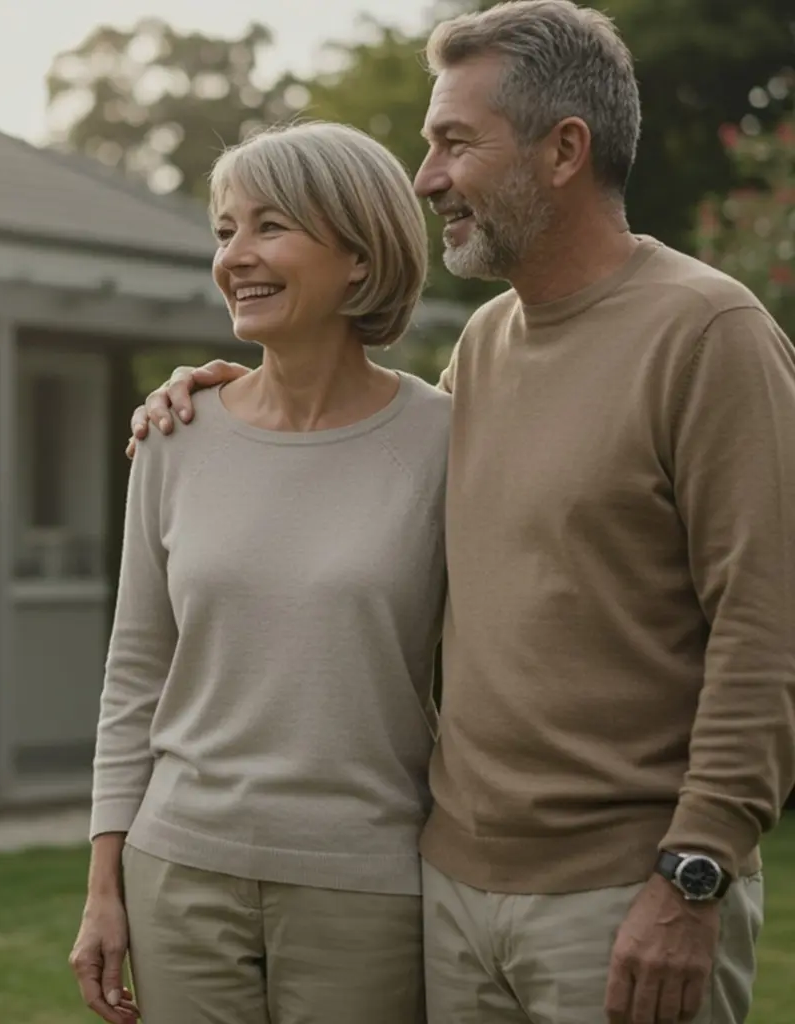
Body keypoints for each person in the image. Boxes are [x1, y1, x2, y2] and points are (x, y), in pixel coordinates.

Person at [125, 2, 795, 1023]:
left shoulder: (706, 332)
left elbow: (768, 621)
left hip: (623, 899)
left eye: (453, 143)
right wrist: (229, 396)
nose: (426, 176)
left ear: (563, 149)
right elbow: (347, 450)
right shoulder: (482, 347)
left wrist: (694, 869)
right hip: (450, 893)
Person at [69, 120, 450, 1024]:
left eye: (269, 226)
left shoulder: (449, 441)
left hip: (368, 884)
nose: (236, 255)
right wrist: (104, 882)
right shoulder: (176, 435)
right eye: (224, 230)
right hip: (178, 869)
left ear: (360, 254)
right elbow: (134, 672)